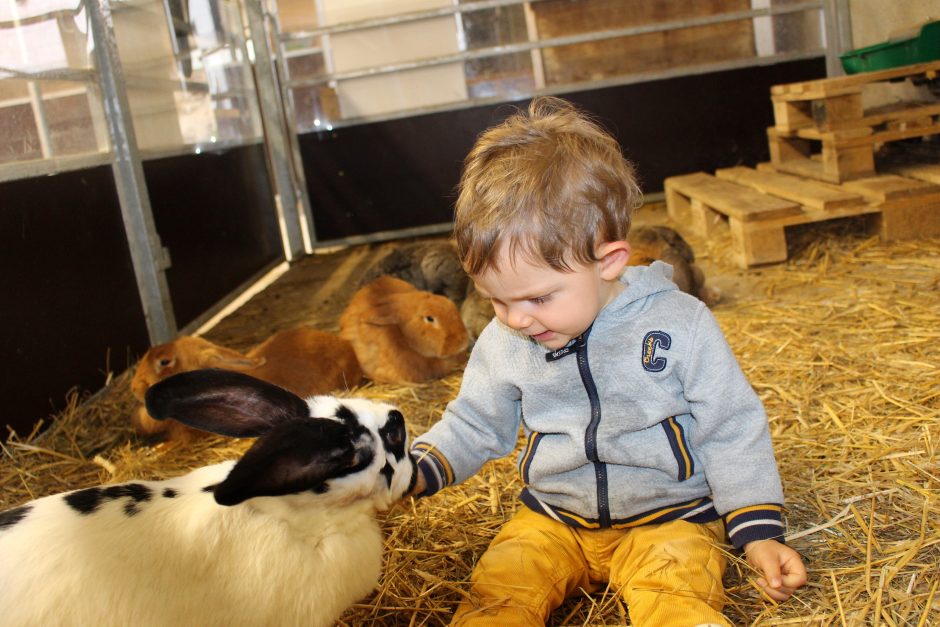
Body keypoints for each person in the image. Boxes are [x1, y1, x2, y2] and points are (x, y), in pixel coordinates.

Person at [408, 96, 806, 626]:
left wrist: (757, 530)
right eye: (497, 300)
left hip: (671, 520)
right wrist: (413, 469)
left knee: (677, 601)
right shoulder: (505, 341)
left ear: (610, 261)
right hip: (551, 519)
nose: (516, 319)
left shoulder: (679, 324)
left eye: (539, 298)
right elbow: (476, 422)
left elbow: (730, 425)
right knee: (498, 596)